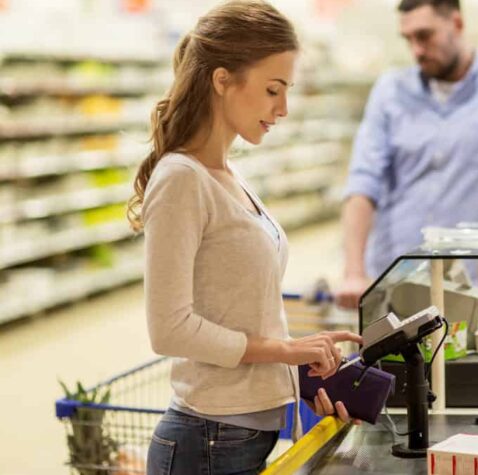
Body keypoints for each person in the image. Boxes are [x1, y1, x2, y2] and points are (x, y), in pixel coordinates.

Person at [128, 3, 362, 473]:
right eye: (273, 89)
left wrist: (300, 365)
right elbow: (169, 329)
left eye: (287, 91)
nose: (284, 108)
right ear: (222, 79)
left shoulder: (229, 174)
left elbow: (236, 309)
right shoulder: (181, 178)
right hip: (206, 441)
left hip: (239, 435)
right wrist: (285, 350)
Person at [336, 0, 478, 313]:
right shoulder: (390, 90)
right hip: (390, 284)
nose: (416, 50)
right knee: (388, 365)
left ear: (456, 23)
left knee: (460, 363)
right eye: (408, 39)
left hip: (467, 289)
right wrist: (354, 274)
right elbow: (363, 183)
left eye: (425, 36)